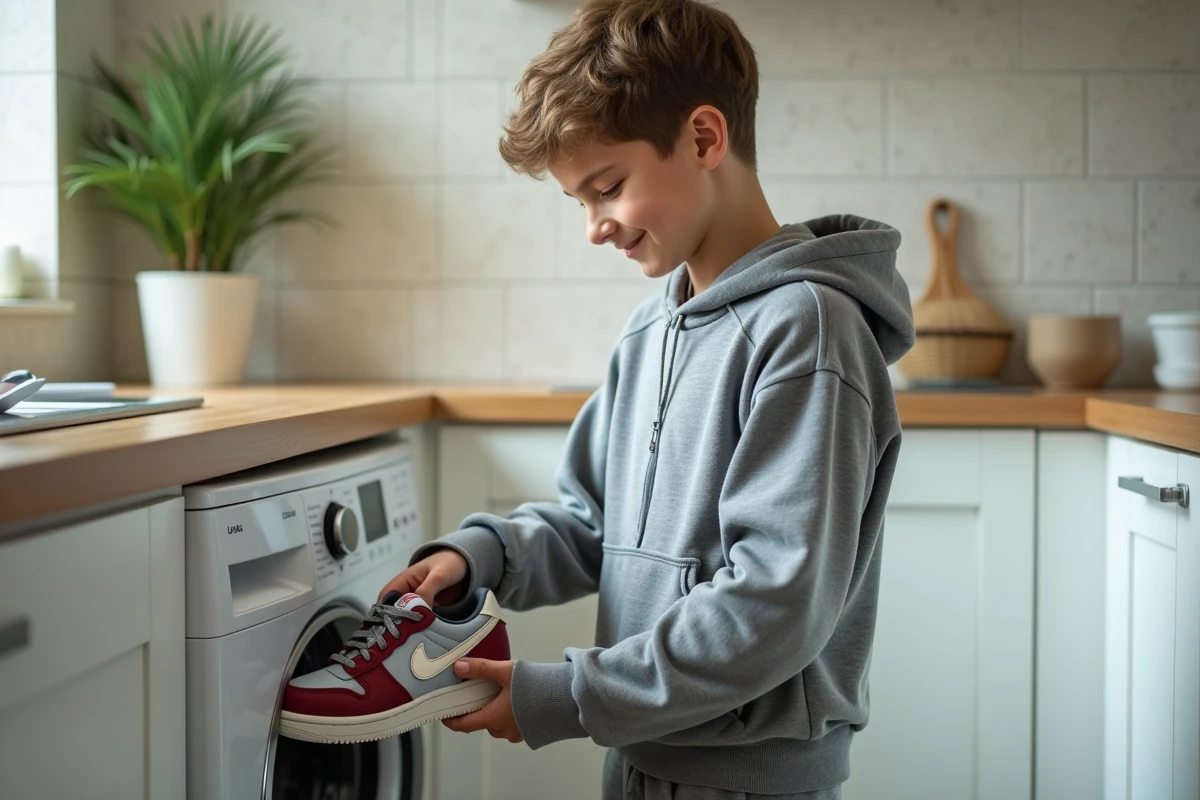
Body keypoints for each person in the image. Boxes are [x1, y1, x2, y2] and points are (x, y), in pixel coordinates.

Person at [380, 1, 914, 797]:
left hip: (747, 781)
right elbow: (595, 521)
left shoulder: (806, 329)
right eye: (580, 202)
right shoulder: (649, 332)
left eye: (608, 187)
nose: (595, 226)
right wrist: (478, 556)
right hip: (638, 757)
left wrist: (569, 694)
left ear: (704, 138)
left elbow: (774, 602)